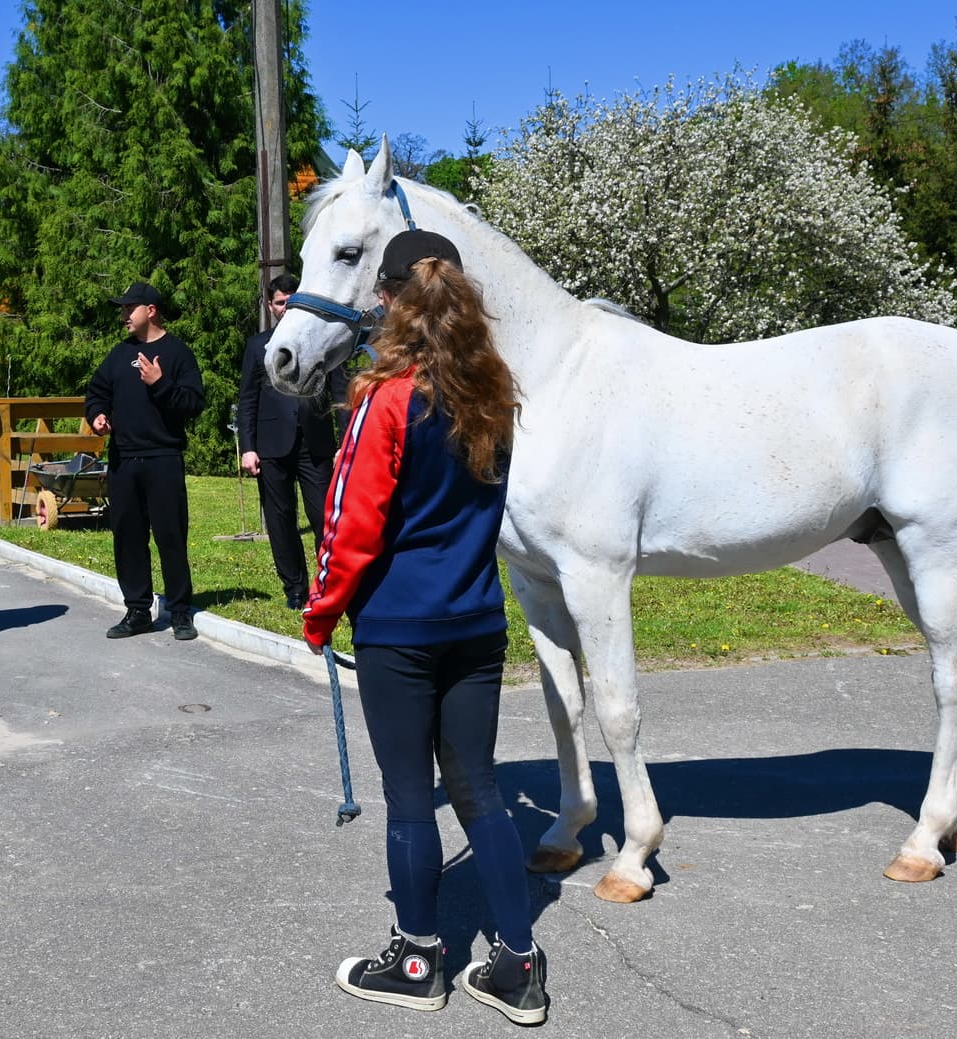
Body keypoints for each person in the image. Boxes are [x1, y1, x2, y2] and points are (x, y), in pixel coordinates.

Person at [302, 230, 549, 1025]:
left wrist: (321, 611)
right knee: (479, 789)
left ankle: (415, 959)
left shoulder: (385, 396)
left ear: (388, 299)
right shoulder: (494, 389)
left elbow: (352, 522)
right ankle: (516, 963)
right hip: (476, 617)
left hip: (399, 624)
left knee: (411, 798)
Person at [85, 282, 206, 641]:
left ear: (150, 310)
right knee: (128, 537)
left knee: (170, 535)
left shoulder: (178, 353)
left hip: (163, 459)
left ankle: (180, 611)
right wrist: (97, 415)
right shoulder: (119, 355)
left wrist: (160, 383)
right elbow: (97, 392)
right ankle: (137, 610)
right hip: (123, 459)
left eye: (129, 309)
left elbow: (193, 404)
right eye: (122, 309)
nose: (124, 315)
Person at [237, 273, 346, 610]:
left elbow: (341, 393)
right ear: (271, 307)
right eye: (280, 302)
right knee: (280, 520)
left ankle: (329, 586)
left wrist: (345, 442)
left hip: (315, 444)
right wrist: (248, 447)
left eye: (292, 301)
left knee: (324, 518)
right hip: (271, 445)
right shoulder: (259, 346)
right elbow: (248, 400)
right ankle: (295, 589)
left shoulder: (324, 342)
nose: (286, 308)